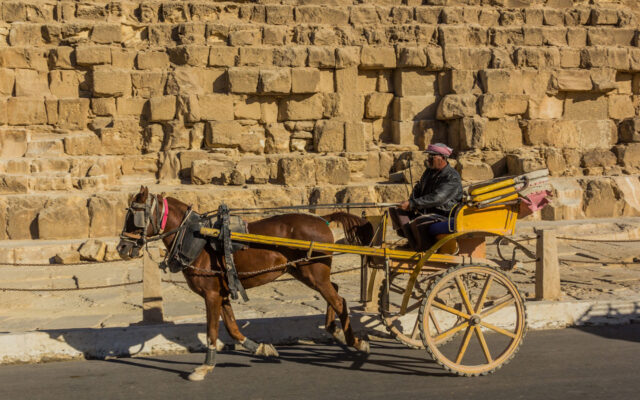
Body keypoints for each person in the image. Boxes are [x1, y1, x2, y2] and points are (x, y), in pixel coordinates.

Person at [389, 143, 463, 251]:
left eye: (431, 157)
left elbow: (438, 198)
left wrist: (413, 204)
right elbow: (418, 188)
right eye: (428, 156)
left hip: (443, 214)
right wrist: (410, 202)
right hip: (426, 210)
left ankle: (424, 248)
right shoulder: (429, 172)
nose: (428, 160)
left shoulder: (452, 177)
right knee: (397, 211)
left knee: (420, 222)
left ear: (442, 158)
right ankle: (413, 242)